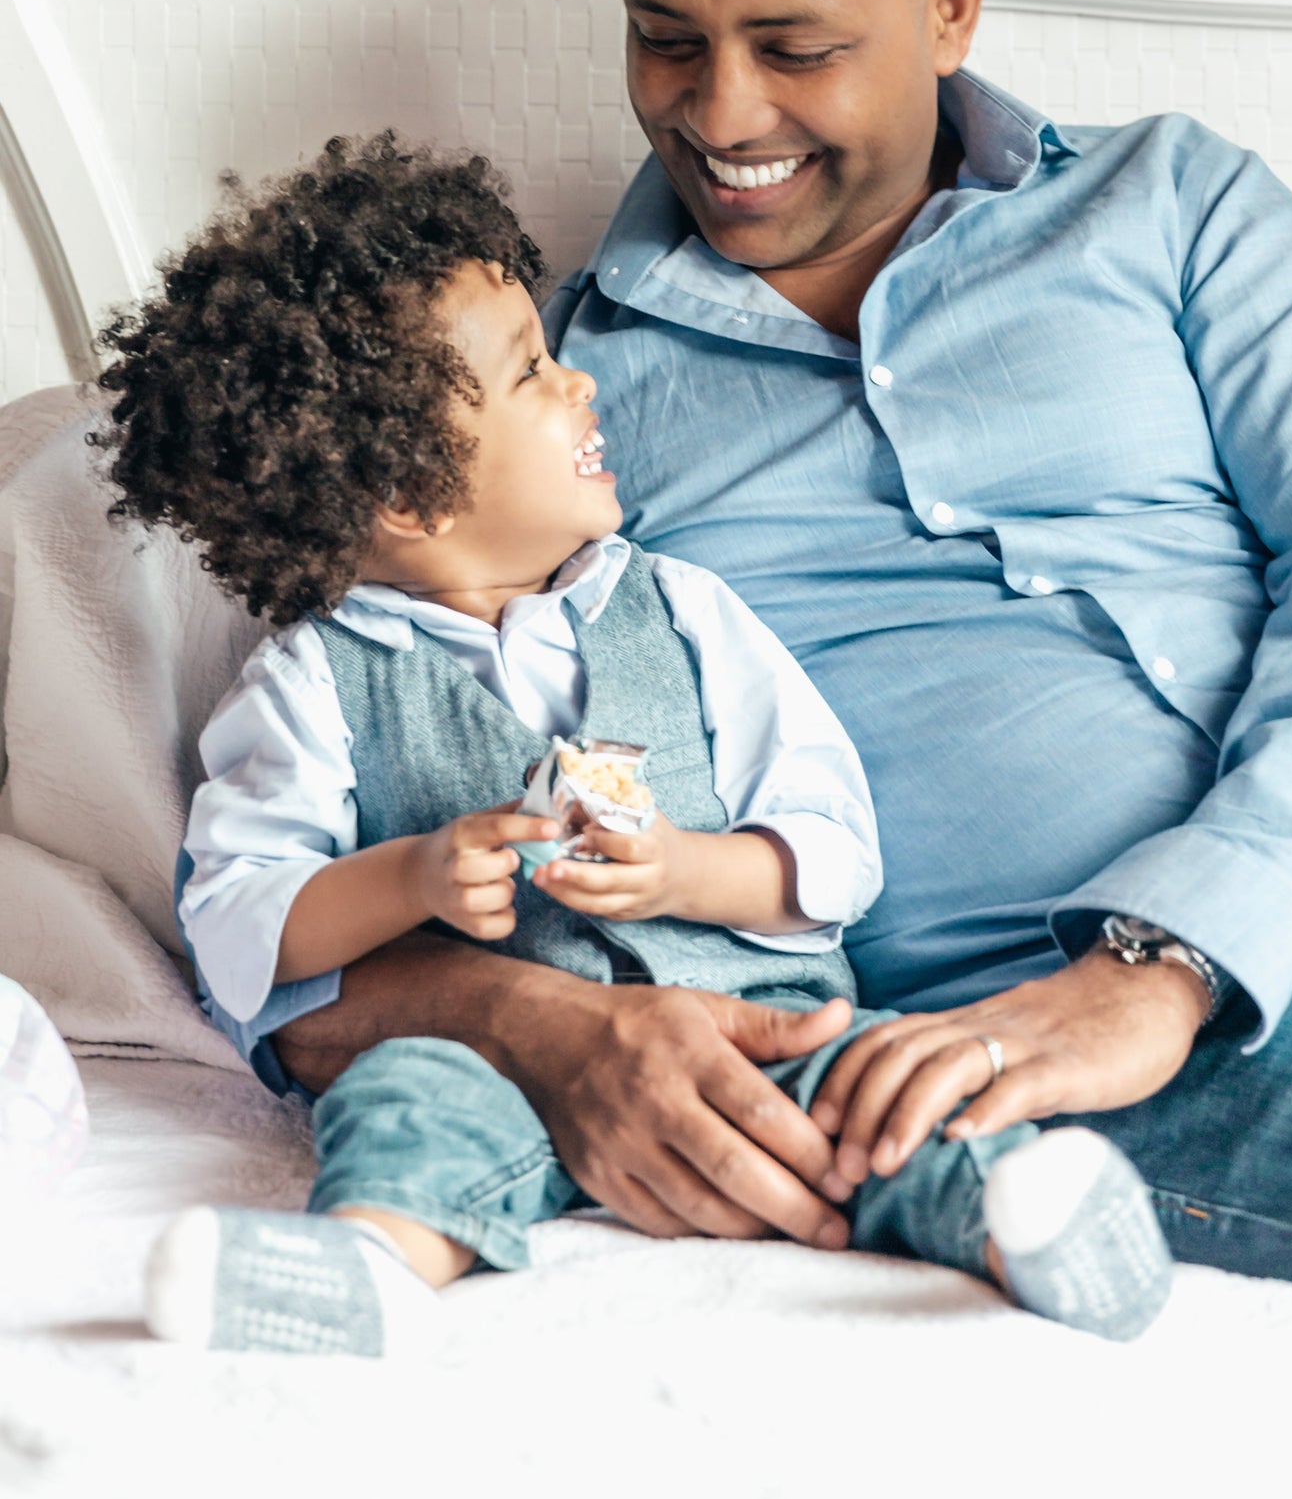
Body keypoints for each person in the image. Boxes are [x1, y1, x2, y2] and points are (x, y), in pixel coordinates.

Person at [192, 0, 1292, 1299]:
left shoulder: (1176, 206)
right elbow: (301, 909)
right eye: (665, 38)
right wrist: (555, 1030)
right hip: (1009, 1053)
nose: (719, 111)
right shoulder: (534, 407)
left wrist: (1176, 951)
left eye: (796, 47)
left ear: (951, 6)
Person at [94, 134, 1173, 1354]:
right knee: (407, 1101)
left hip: (768, 1030)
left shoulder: (685, 610)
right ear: (410, 498)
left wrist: (688, 874)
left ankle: (1021, 1226)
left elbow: (832, 843)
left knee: (893, 1088)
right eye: (532, 375)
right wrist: (409, 877)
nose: (581, 386)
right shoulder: (312, 687)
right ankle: (369, 1268)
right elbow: (238, 925)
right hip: (499, 1070)